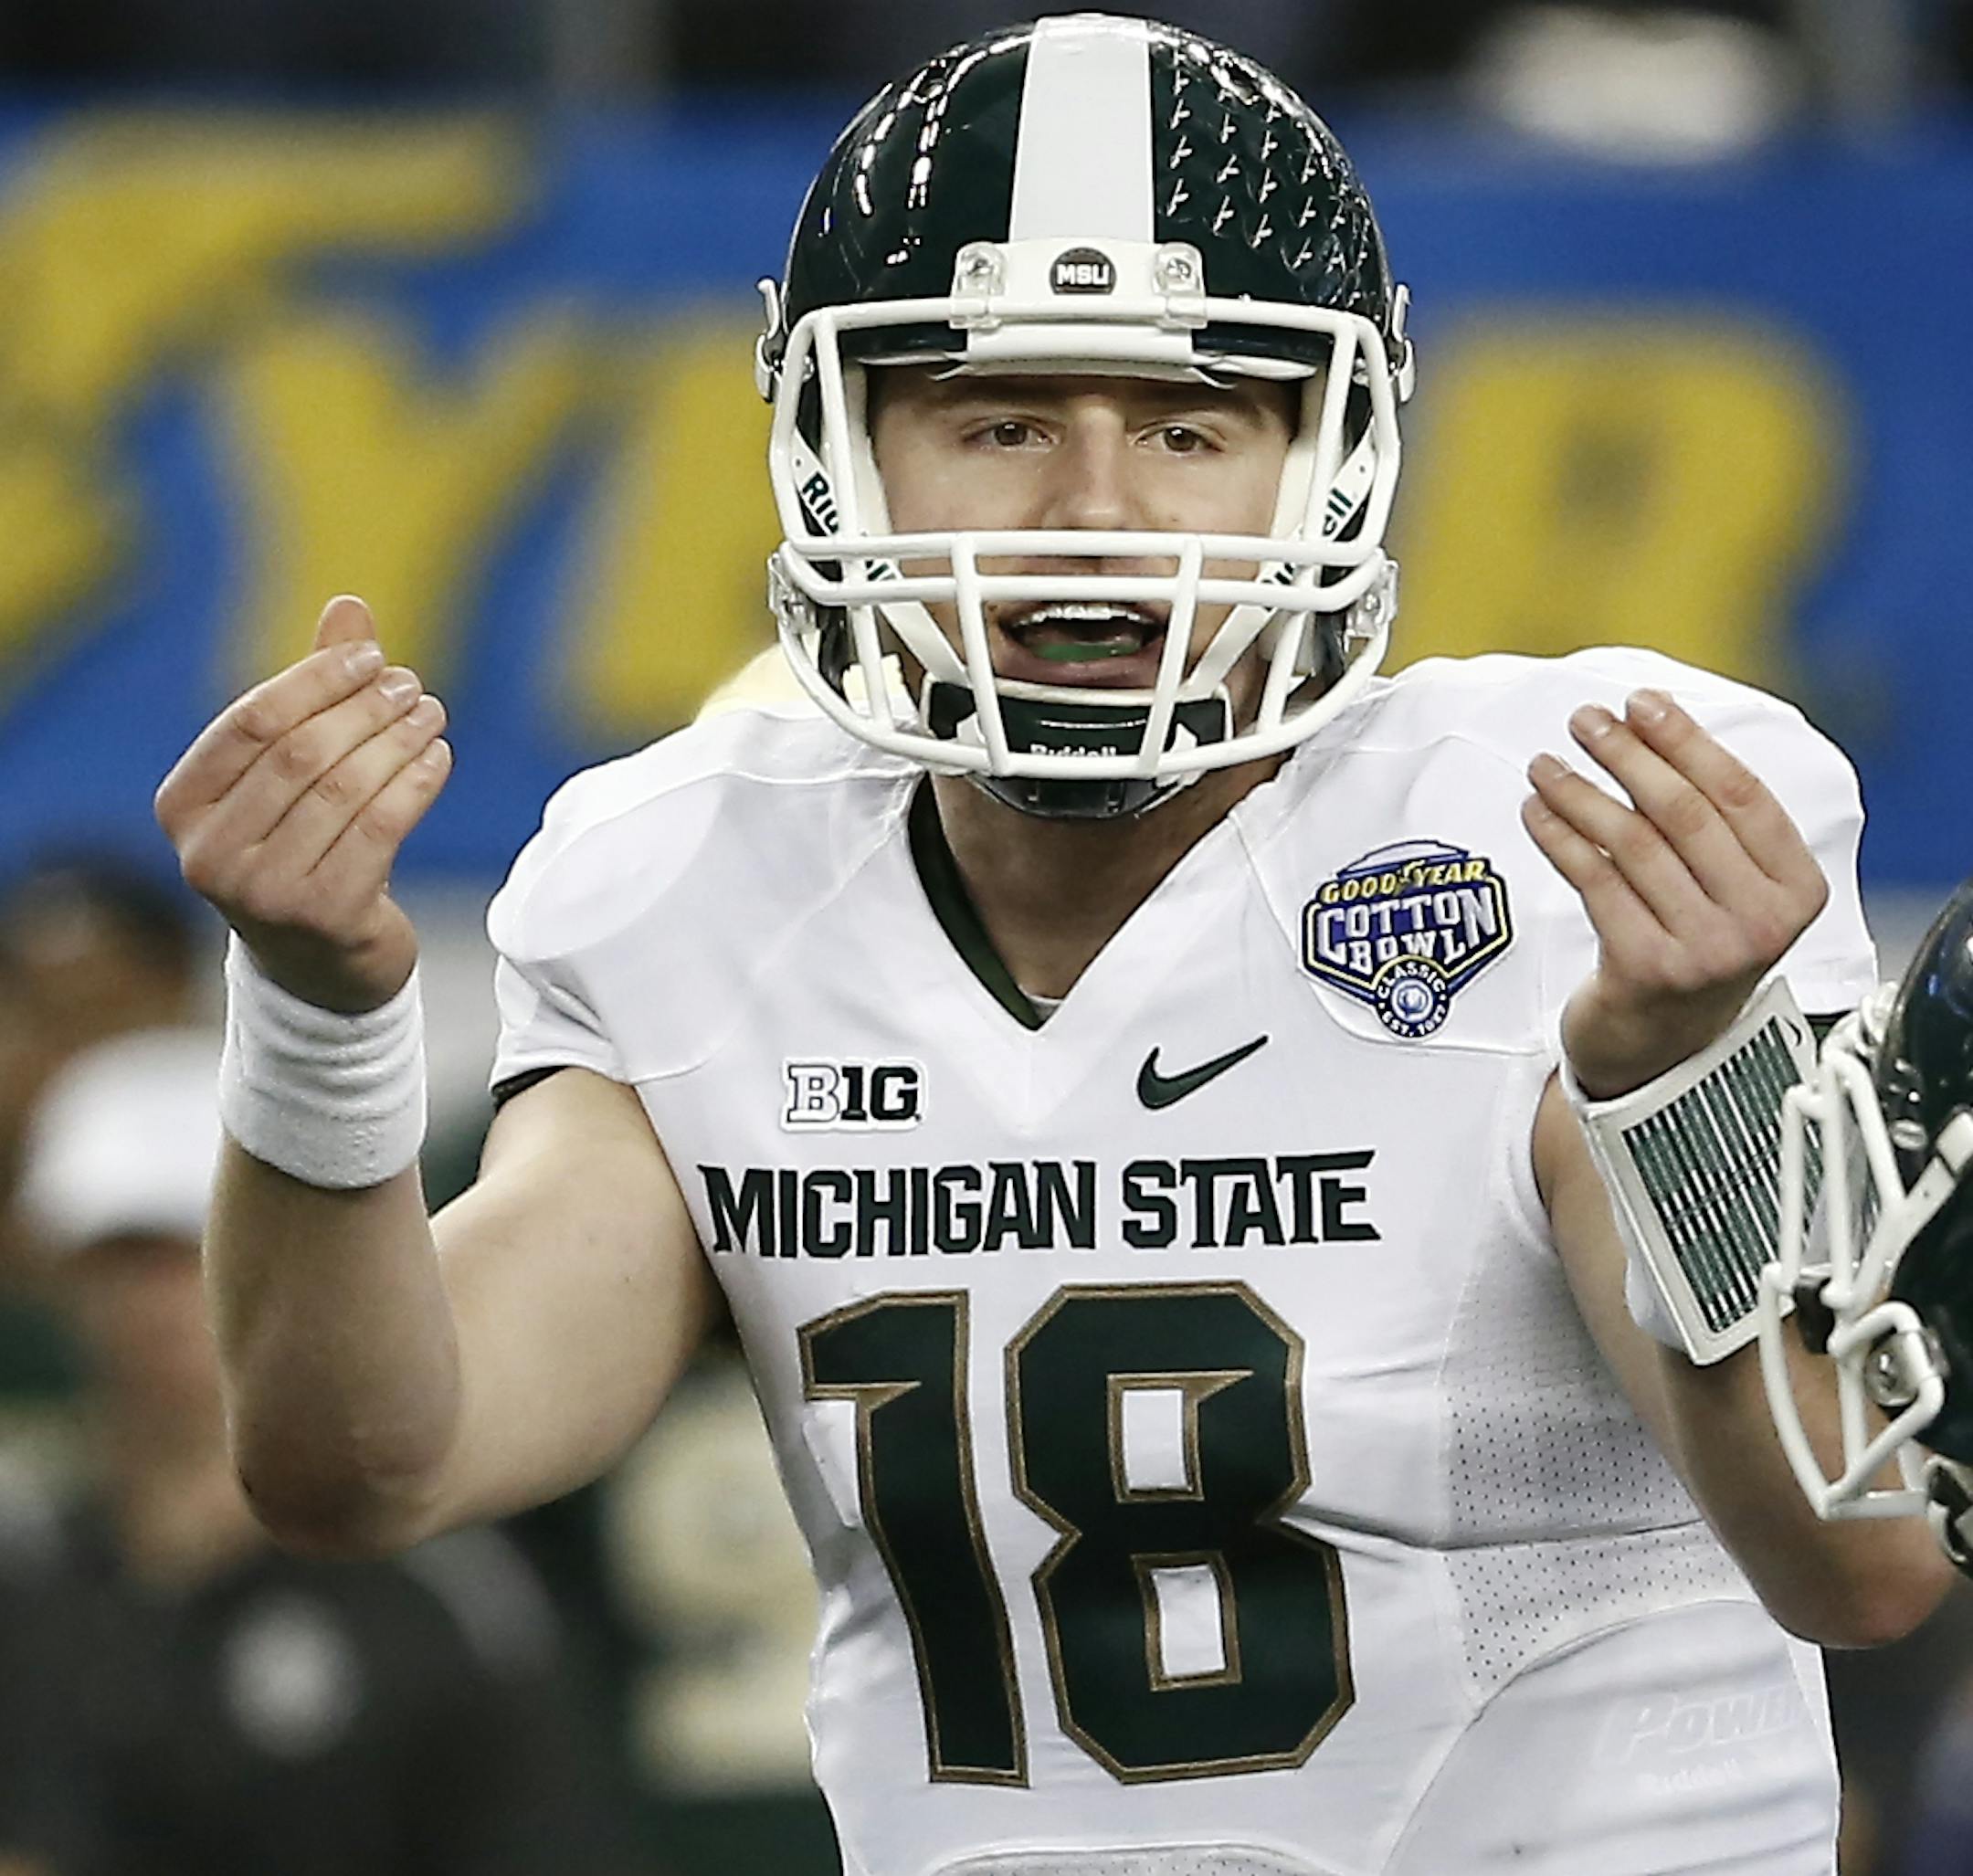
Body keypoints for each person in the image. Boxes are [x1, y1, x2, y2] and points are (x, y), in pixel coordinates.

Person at [153, 15, 1951, 1872]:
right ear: (840, 447)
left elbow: (1860, 1555)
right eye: (999, 420)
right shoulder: (694, 871)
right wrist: (316, 1020)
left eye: (1190, 425)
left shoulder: (1558, 829)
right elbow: (365, 1459)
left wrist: (1680, 1091)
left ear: (1328, 459)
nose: (1094, 514)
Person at [1, 1028, 643, 1876]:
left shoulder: (441, 1596)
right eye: (122, 1260)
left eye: (191, 1248)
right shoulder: (32, 1583)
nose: (155, 1304)